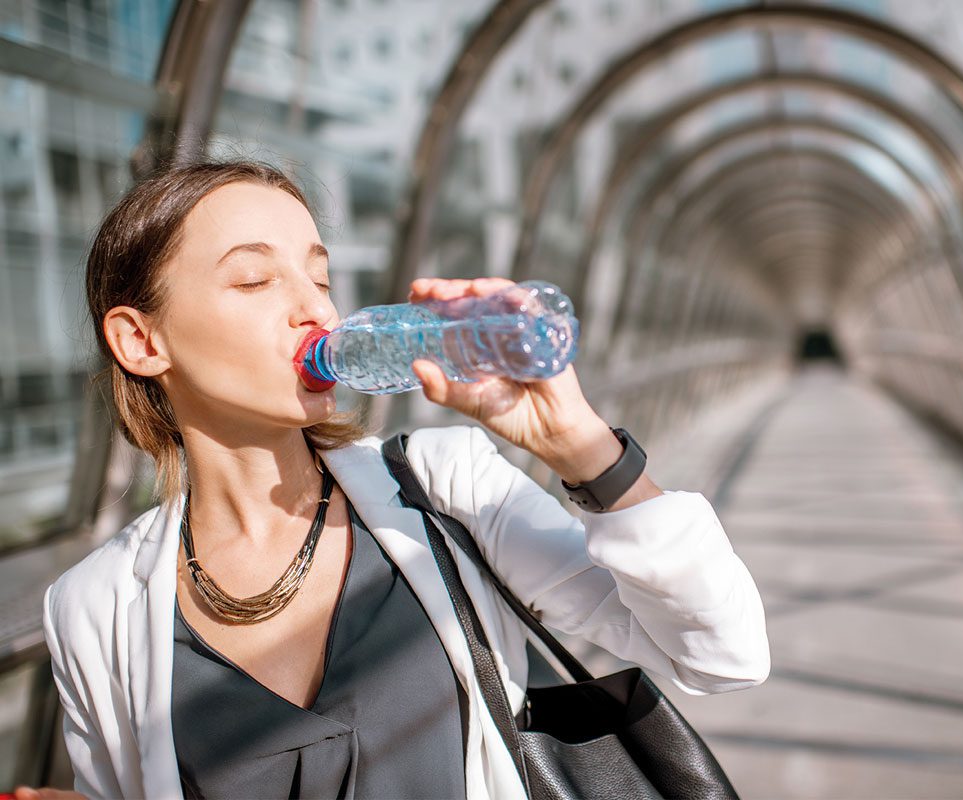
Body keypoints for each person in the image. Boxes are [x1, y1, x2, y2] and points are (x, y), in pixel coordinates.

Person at [21, 161, 770, 799]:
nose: (314, 308)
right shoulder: (94, 610)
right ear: (141, 340)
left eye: (319, 276)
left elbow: (722, 654)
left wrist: (582, 449)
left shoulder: (443, 488)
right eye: (254, 280)